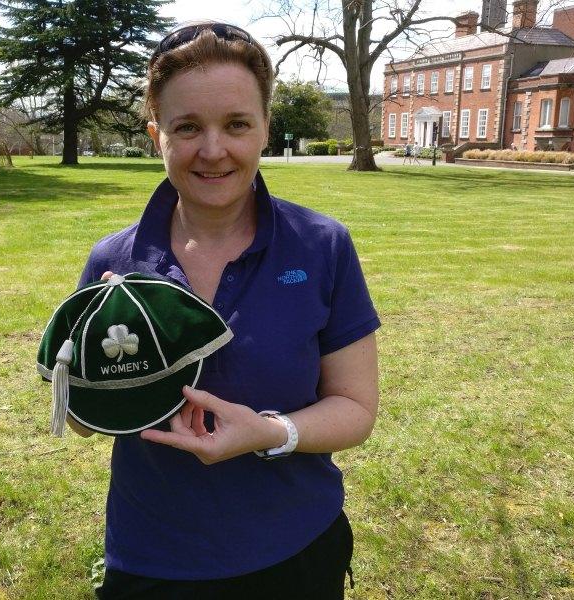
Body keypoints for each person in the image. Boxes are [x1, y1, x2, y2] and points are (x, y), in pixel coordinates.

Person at [71, 22, 380, 599]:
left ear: (265, 127)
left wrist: (268, 432)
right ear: (155, 133)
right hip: (153, 558)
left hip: (295, 550)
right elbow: (84, 420)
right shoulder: (114, 261)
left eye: (236, 124)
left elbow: (356, 407)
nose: (213, 151)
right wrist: (97, 374)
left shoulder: (322, 245)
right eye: (187, 127)